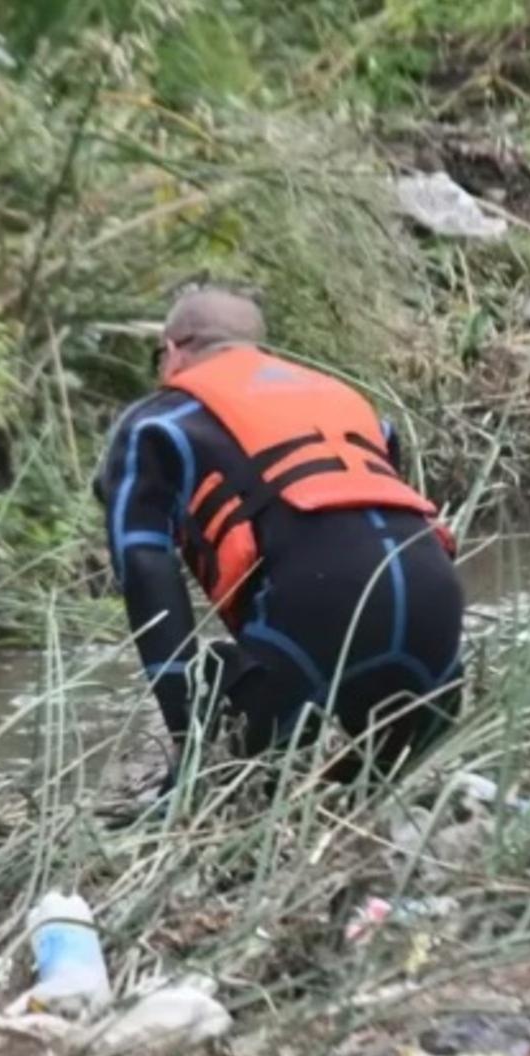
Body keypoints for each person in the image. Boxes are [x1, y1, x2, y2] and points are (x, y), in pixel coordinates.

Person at [93, 288, 464, 791]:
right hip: (435, 617)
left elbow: (144, 566)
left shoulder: (157, 422)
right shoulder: (350, 403)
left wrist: (190, 733)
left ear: (174, 349)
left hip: (311, 619)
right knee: (383, 797)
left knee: (221, 799)